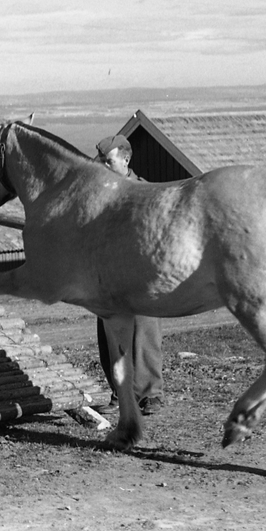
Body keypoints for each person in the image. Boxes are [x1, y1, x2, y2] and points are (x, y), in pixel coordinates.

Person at [92, 134, 165, 416]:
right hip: (107, 276)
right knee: (110, 336)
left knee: (145, 333)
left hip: (140, 273)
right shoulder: (97, 192)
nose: (103, 166)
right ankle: (120, 394)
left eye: (108, 161)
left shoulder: (145, 192)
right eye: (100, 161)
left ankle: (151, 395)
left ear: (125, 160)